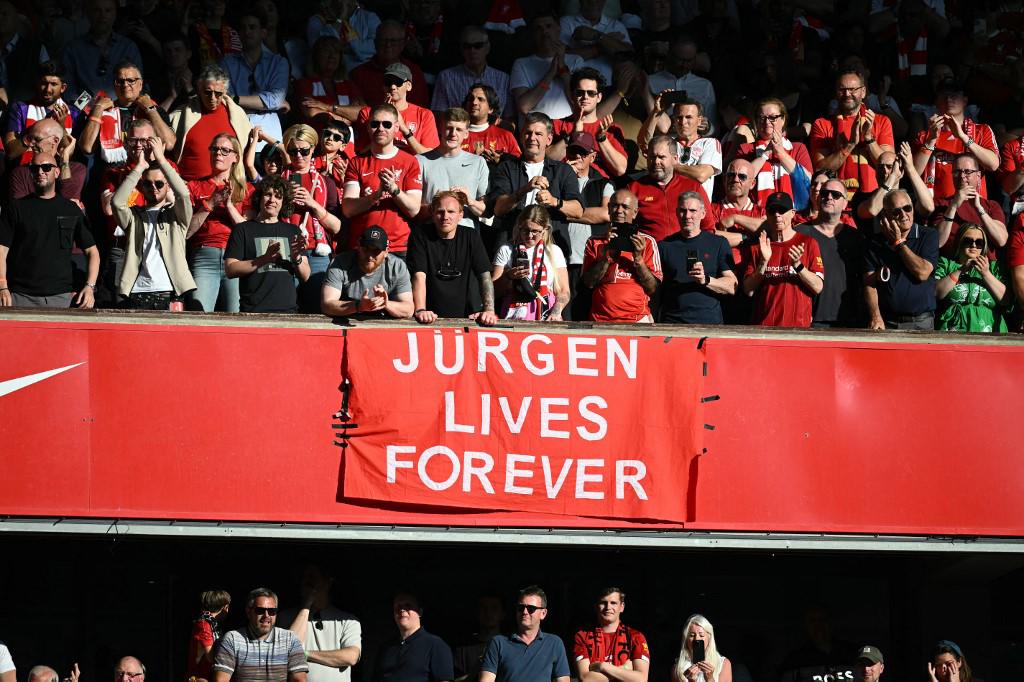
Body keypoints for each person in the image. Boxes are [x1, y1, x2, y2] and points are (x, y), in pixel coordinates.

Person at [0, 152, 99, 308]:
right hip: (20, 297)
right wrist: (2, 286)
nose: (40, 172)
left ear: (57, 172)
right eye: (34, 168)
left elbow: (92, 252)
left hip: (61, 298)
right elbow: (1, 250)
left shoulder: (71, 209)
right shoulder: (16, 208)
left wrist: (90, 287)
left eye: (46, 167)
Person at [113, 136, 196, 308]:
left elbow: (184, 195)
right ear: (141, 186)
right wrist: (140, 168)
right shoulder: (134, 216)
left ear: (167, 185)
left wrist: (161, 160)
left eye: (159, 183)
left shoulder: (176, 216)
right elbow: (117, 202)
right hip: (137, 290)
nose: (154, 188)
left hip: (171, 290)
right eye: (148, 184)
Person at [487, 111, 584, 255]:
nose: (532, 138)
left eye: (538, 134)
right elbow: (498, 209)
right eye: (528, 133)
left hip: (551, 249)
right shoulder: (506, 168)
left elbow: (578, 211)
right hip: (510, 247)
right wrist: (524, 190)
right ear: (521, 137)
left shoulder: (563, 171)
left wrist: (553, 201)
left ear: (549, 139)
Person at [342, 103, 423, 256]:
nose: (380, 129)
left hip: (397, 247)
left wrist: (394, 190)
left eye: (387, 124)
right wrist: (376, 196)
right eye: (374, 124)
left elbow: (414, 209)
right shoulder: (356, 162)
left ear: (397, 127)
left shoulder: (410, 161)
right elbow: (348, 209)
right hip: (362, 245)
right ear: (367, 127)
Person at [408, 190, 497, 326]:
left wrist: (489, 310)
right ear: (432, 213)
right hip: (431, 316)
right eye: (440, 211)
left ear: (460, 215)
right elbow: (419, 276)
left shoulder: (471, 236)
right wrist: (421, 309)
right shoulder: (420, 235)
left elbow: (484, 276)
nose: (445, 216)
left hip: (467, 315)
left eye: (451, 212)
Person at [278, 124, 342, 311]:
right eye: (292, 151)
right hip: (284, 249)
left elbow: (337, 226)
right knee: (285, 307)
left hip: (316, 252)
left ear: (313, 148)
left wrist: (312, 203)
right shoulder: (278, 179)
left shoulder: (325, 182)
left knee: (315, 306)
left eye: (304, 151)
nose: (298, 155)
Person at [224, 175, 311, 313]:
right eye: (268, 194)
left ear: (284, 202)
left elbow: (305, 275)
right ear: (259, 197)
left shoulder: (292, 231)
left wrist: (296, 258)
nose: (272, 200)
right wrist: (263, 259)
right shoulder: (243, 230)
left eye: (278, 196)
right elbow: (230, 269)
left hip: (288, 313)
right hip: (253, 312)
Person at [187, 132, 251, 311]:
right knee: (199, 313)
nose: (218, 154)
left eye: (224, 150)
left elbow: (248, 231)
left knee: (236, 318)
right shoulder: (194, 186)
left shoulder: (247, 190)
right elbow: (186, 232)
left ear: (235, 157)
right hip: (204, 256)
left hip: (237, 256)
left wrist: (229, 206)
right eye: (215, 149)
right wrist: (211, 203)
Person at [742, 191, 824, 328]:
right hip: (763, 329)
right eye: (772, 210)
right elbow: (748, 290)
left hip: (798, 329)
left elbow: (818, 287)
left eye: (782, 210)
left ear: (792, 213)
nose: (777, 215)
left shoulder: (808, 243)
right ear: (766, 214)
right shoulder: (759, 247)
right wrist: (763, 262)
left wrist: (798, 266)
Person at [809, 70, 895, 201]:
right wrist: (849, 146)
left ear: (863, 92)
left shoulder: (882, 121)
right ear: (835, 92)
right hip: (837, 200)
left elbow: (889, 166)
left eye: (853, 89)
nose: (847, 94)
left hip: (875, 199)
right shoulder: (822, 124)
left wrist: (868, 138)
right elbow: (820, 169)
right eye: (842, 89)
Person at [581, 188, 662, 323]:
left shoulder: (647, 242)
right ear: (608, 209)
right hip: (601, 319)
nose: (618, 211)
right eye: (614, 206)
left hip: (637, 319)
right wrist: (605, 257)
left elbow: (652, 288)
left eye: (625, 207)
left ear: (635, 212)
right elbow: (588, 283)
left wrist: (638, 258)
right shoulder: (594, 242)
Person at [794, 179, 866, 328]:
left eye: (836, 194)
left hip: (848, 320)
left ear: (845, 203)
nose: (829, 197)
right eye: (825, 193)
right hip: (809, 320)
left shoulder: (856, 238)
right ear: (819, 197)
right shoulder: (799, 233)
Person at [864, 189, 939, 330]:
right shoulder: (874, 243)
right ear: (885, 216)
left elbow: (923, 272)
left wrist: (899, 243)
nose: (904, 215)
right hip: (887, 322)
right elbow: (869, 283)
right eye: (896, 211)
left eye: (907, 208)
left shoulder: (928, 235)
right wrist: (876, 316)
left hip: (921, 322)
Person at [913, 79, 998, 201]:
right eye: (944, 96)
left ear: (965, 100)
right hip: (938, 210)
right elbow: (913, 173)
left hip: (973, 209)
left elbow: (993, 165)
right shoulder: (924, 136)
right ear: (936, 102)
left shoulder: (981, 131)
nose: (948, 99)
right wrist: (931, 141)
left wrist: (963, 137)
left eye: (954, 95)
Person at [659, 191, 737, 324]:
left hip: (709, 324)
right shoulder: (664, 246)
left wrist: (705, 280)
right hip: (673, 324)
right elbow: (656, 290)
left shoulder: (718, 243)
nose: (687, 216)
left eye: (693, 211)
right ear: (677, 213)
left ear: (703, 214)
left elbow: (732, 286)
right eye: (683, 211)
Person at [78, 61, 176, 164]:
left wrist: (150, 109)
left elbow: (169, 144)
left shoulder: (154, 110)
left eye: (131, 80)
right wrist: (98, 108)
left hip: (146, 172)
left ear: (140, 84)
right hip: (112, 175)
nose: (125, 85)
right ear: (114, 85)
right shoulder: (102, 111)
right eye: (120, 81)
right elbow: (87, 147)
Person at [169, 64, 253, 181]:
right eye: (208, 92)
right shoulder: (182, 114)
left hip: (228, 188)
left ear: (224, 91)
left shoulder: (237, 114)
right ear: (199, 89)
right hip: (190, 189)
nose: (213, 98)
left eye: (218, 93)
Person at [563, 131, 613, 320]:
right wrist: (564, 175)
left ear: (593, 157)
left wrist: (565, 212)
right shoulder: (558, 182)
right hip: (562, 261)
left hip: (589, 263)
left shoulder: (603, 184)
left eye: (582, 153)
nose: (577, 157)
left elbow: (605, 213)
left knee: (587, 317)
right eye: (573, 152)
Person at [221, 10, 289, 147]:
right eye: (243, 28)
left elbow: (276, 99)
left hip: (269, 135)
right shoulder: (226, 62)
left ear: (263, 33)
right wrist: (269, 103)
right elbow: (222, 98)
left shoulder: (278, 62)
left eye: (252, 27)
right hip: (236, 132)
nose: (247, 31)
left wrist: (235, 99)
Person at [628, 135, 714, 241]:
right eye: (652, 157)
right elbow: (624, 226)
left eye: (661, 157)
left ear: (675, 159)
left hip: (685, 253)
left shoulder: (693, 187)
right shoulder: (634, 188)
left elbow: (708, 228)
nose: (656, 162)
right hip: (649, 254)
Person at [212, 588, 309, 682]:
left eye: (272, 611)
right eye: (260, 610)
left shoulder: (290, 639)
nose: (266, 616)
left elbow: (299, 679)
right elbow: (220, 680)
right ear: (248, 612)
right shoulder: (232, 639)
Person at [492, 205, 570, 321]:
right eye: (526, 230)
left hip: (547, 313)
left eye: (535, 231)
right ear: (519, 227)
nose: (529, 235)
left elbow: (564, 291)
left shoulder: (554, 251)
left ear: (545, 230)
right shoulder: (506, 250)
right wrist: (509, 276)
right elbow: (493, 291)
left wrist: (556, 311)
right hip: (514, 313)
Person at [732, 98, 812, 209]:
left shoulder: (798, 148)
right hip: (756, 213)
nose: (766, 122)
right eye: (762, 117)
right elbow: (740, 180)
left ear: (783, 119)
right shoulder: (745, 149)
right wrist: (764, 155)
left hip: (794, 214)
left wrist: (781, 153)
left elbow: (808, 180)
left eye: (772, 118)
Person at [285, 565, 362, 682]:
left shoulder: (348, 620)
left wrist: (305, 654)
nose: (308, 583)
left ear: (328, 582)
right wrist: (306, 605)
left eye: (313, 577)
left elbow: (351, 657)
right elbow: (289, 649)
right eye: (305, 578)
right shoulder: (286, 617)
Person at [548, 67, 628, 179]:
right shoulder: (557, 124)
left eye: (591, 93)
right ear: (572, 95)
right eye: (580, 92)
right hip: (562, 186)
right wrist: (573, 134)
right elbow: (545, 161)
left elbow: (620, 169)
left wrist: (601, 138)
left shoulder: (610, 129)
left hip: (597, 189)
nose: (585, 97)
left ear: (599, 97)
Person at [479, 586, 570, 682]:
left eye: (531, 609)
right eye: (520, 608)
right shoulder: (498, 643)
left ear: (543, 613)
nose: (524, 612)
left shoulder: (554, 643)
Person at [639, 94, 721, 200]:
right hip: (670, 206)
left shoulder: (710, 143)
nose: (683, 122)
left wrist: (671, 165)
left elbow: (701, 175)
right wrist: (656, 112)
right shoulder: (667, 142)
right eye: (679, 117)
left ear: (699, 120)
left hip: (697, 211)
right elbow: (644, 143)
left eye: (688, 117)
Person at [321, 225, 414, 319]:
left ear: (386, 251)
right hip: (346, 319)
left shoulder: (397, 267)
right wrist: (359, 306)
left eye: (376, 251)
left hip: (383, 322)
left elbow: (408, 310)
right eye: (365, 249)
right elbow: (327, 304)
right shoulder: (340, 262)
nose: (370, 256)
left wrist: (385, 303)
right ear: (358, 246)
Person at [417, 107, 488, 228]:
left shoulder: (478, 162)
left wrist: (470, 201)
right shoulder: (420, 161)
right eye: (449, 128)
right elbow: (412, 209)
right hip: (430, 232)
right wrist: (435, 206)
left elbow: (486, 212)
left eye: (459, 129)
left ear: (466, 134)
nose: (453, 133)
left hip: (466, 233)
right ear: (441, 129)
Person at [934, 223, 1009, 333]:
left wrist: (986, 274)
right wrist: (960, 270)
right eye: (968, 241)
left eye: (979, 242)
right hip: (952, 331)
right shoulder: (946, 264)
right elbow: (936, 293)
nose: (973, 245)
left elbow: (1006, 300)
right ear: (959, 242)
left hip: (990, 331)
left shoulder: (994, 268)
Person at [3, 61, 82, 163]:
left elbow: (69, 155)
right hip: (25, 171)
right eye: (44, 83)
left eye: (53, 84)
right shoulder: (20, 109)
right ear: (37, 84)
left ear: (63, 88)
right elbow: (11, 152)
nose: (48, 89)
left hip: (57, 172)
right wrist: (37, 130)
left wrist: (61, 126)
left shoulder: (73, 113)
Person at [510, 12, 583, 121]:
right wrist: (550, 74)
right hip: (537, 130)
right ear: (533, 35)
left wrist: (563, 69)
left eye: (549, 26)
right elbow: (524, 106)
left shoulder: (576, 60)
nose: (544, 32)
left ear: (558, 29)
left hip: (569, 126)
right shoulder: (521, 64)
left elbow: (580, 104)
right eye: (538, 28)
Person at [61, 0, 143, 96]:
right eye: (97, 10)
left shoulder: (128, 48)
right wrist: (91, 108)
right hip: (84, 110)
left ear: (115, 14)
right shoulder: (73, 49)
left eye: (108, 10)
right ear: (88, 13)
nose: (102, 16)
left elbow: (138, 86)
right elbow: (69, 90)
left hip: (123, 109)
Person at [355, 63, 438, 156]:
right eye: (388, 82)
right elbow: (361, 152)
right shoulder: (367, 113)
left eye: (398, 82)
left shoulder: (424, 115)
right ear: (383, 86)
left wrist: (403, 128)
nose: (392, 87)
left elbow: (431, 156)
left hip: (412, 168)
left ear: (409, 86)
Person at [931, 154, 1007, 253]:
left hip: (984, 265)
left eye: (967, 172)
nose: (962, 176)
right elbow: (938, 242)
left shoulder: (991, 206)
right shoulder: (942, 204)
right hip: (954, 265)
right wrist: (953, 206)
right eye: (957, 172)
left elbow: (1001, 241)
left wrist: (979, 209)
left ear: (978, 176)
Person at [572, 587, 650, 682]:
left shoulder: (636, 637)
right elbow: (585, 679)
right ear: (596, 606)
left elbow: (641, 679)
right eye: (603, 603)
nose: (608, 607)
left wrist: (602, 666)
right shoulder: (582, 636)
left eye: (613, 603)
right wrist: (624, 669)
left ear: (622, 607)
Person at [431, 26, 511, 118]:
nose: (472, 50)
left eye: (478, 46)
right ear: (461, 49)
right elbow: (438, 115)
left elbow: (510, 118)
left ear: (487, 48)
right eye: (467, 46)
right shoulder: (446, 77)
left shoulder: (503, 79)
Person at [348, 21, 428, 108]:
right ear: (375, 43)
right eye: (383, 40)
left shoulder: (414, 72)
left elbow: (421, 110)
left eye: (393, 41)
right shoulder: (358, 74)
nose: (388, 45)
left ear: (403, 44)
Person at [376, 593, 453, 682]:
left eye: (408, 605)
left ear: (420, 612)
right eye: (398, 606)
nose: (402, 610)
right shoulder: (385, 648)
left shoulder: (435, 644)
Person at [295, 37, 364, 127]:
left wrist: (327, 107)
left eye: (336, 52)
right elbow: (312, 112)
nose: (332, 56)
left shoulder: (348, 85)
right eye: (327, 51)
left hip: (345, 139)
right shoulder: (304, 84)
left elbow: (363, 112)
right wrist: (345, 117)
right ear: (316, 56)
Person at [710, 159, 764, 265]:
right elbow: (710, 238)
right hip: (723, 275)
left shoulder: (761, 212)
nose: (735, 179)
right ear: (724, 180)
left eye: (742, 177)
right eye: (731, 175)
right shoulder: (712, 209)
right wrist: (749, 237)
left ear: (752, 183)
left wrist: (735, 218)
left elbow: (770, 228)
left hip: (755, 274)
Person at [462, 84, 520, 163]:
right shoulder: (455, 135)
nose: (474, 102)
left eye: (480, 99)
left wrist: (501, 161)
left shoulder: (505, 136)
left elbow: (518, 166)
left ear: (491, 108)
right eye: (471, 99)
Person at [186, 590, 231, 682]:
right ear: (225, 607)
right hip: (199, 678)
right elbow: (211, 657)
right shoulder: (204, 625)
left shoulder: (212, 625)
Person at [671, 614, 731, 682]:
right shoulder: (678, 668)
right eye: (692, 635)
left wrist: (710, 679)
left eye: (701, 635)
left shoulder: (723, 664)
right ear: (686, 639)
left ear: (709, 638)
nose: (697, 639)